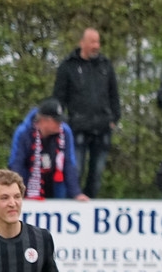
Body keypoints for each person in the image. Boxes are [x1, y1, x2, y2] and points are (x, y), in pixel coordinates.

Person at [53, 27, 121, 197]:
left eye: (98, 42)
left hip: (102, 128)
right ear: (82, 43)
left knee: (96, 175)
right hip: (77, 129)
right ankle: (72, 206)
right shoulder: (67, 66)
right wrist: (64, 121)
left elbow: (114, 94)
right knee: (75, 172)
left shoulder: (105, 65)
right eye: (92, 42)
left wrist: (114, 118)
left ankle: (89, 206)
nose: (96, 46)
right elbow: (58, 98)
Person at [8, 98, 87, 201]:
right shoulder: (23, 132)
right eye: (57, 121)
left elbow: (69, 163)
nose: (60, 124)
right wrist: (17, 191)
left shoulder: (65, 131)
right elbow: (17, 164)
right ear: (44, 121)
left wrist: (76, 193)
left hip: (55, 183)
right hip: (29, 182)